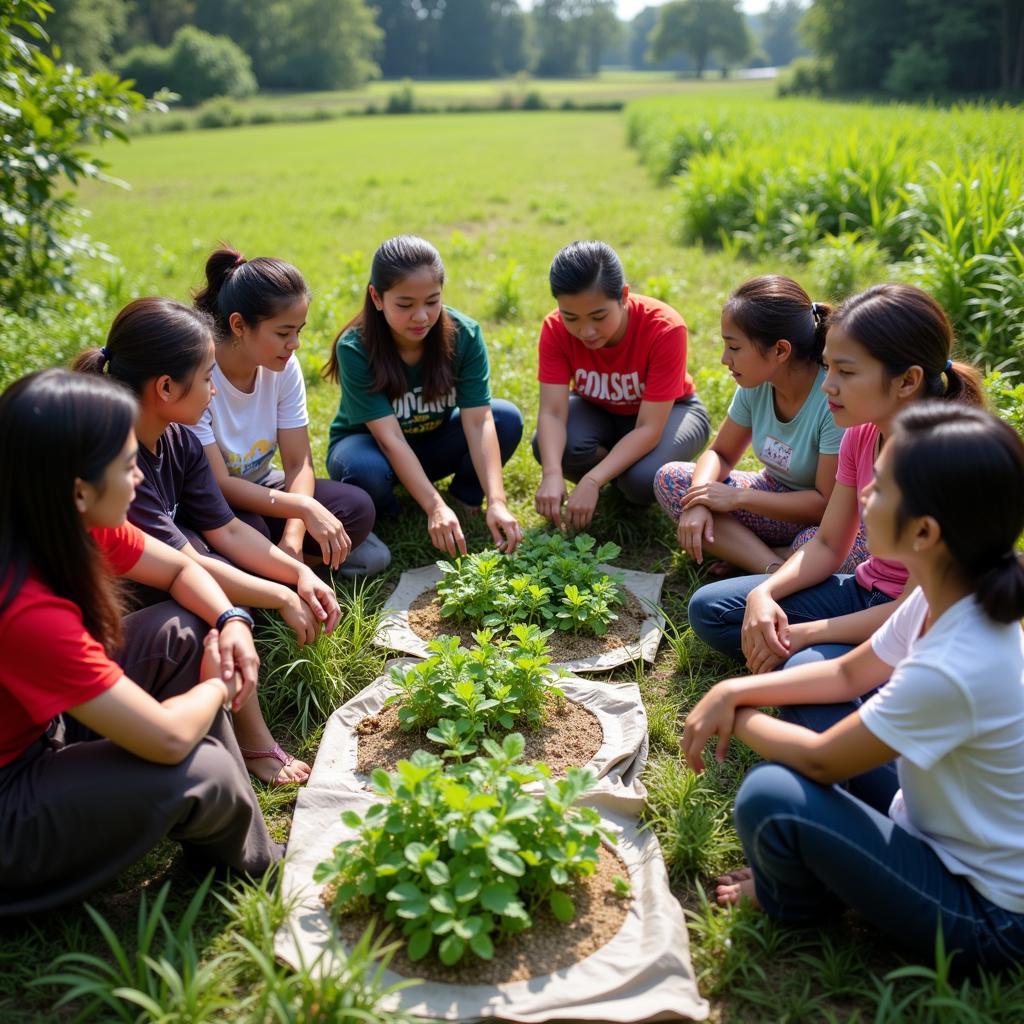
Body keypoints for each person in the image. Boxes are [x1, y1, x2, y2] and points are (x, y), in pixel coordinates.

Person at [681, 402, 1024, 972]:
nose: (865, 496)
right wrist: (734, 690)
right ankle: (840, 872)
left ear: (924, 531)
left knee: (772, 797)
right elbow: (848, 673)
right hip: (935, 824)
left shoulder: (955, 663)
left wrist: (737, 716)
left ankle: (795, 901)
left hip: (989, 916)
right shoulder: (947, 591)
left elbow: (819, 763)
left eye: (882, 489)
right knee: (810, 698)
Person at [0, 370, 281, 915]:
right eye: (128, 466)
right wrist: (217, 687)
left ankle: (234, 845)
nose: (139, 480)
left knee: (185, 629)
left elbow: (180, 569)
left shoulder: (50, 513)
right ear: (80, 490)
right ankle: (246, 853)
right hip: (10, 803)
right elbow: (172, 741)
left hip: (40, 725)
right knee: (201, 767)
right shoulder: (24, 610)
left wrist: (232, 619)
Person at [74, 297, 347, 785]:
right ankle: (251, 742)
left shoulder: (177, 436)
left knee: (212, 559)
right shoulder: (116, 464)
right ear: (164, 388)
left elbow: (228, 529)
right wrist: (277, 595)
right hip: (102, 634)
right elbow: (185, 563)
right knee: (200, 608)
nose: (214, 393)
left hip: (156, 582)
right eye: (205, 379)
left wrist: (299, 574)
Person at [687, 284, 984, 680]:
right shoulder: (862, 434)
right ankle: (821, 663)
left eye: (845, 372)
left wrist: (804, 634)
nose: (827, 385)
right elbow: (828, 543)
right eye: (829, 368)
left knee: (804, 667)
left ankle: (825, 666)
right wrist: (766, 591)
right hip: (864, 592)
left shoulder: (944, 463)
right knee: (710, 608)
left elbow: (916, 610)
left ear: (907, 381)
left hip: (920, 624)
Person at [192, 246, 389, 578]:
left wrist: (294, 538)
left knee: (356, 508)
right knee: (250, 528)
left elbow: (298, 464)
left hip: (265, 488)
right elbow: (221, 484)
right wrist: (304, 507)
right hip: (217, 503)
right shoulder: (200, 376)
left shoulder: (283, 366)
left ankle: (281, 567)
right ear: (239, 325)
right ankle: (278, 574)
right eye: (283, 333)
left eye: (299, 330)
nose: (295, 344)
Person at [324, 235, 524, 557]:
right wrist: (433, 506)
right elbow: (390, 438)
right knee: (365, 470)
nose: (421, 317)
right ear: (376, 297)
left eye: (432, 301)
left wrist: (497, 501)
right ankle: (391, 511)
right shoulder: (355, 348)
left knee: (505, 418)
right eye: (405, 305)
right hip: (373, 448)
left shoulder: (465, 335)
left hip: (432, 442)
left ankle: (465, 496)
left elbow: (478, 421)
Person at [655, 276, 857, 577]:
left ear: (780, 351)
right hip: (771, 498)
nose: (725, 359)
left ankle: (756, 557)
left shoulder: (831, 399)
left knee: (823, 547)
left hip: (828, 518)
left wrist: (738, 497)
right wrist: (699, 498)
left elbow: (825, 503)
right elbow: (721, 453)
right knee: (671, 478)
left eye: (734, 347)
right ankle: (774, 567)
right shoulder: (757, 383)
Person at [533, 240, 710, 531]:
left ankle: (625, 476)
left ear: (624, 296)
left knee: (642, 480)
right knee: (549, 446)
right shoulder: (554, 329)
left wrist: (592, 479)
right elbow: (552, 412)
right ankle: (620, 472)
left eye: (599, 316)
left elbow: (649, 428)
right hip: (598, 410)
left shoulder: (665, 327)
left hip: (672, 412)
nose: (585, 331)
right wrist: (551, 473)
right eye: (571, 317)